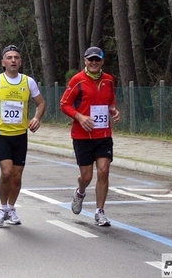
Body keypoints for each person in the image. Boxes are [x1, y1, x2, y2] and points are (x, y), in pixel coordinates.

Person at [0, 45, 46, 226]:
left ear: (20, 61)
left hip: (20, 134)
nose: (13, 60)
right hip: (1, 133)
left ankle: (11, 208)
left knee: (16, 175)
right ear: (3, 62)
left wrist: (37, 118)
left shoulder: (28, 82)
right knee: (6, 172)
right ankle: (2, 208)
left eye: (16, 57)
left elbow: (40, 103)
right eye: (9, 57)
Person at [60, 46, 120, 227]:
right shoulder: (77, 80)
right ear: (85, 61)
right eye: (90, 60)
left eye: (97, 60)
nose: (94, 63)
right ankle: (80, 192)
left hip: (103, 134)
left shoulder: (109, 80)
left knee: (103, 171)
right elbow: (64, 104)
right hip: (82, 136)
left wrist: (114, 110)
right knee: (86, 176)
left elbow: (111, 101)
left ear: (102, 61)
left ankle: (99, 211)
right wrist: (79, 117)